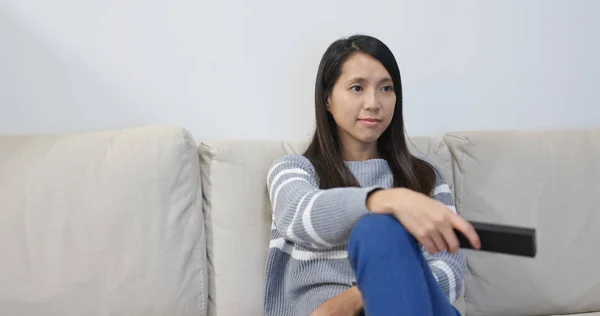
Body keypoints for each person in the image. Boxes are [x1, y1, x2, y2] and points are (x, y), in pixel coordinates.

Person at [263, 34, 481, 316]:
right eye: (357, 88)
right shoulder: (294, 170)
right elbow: (298, 215)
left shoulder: (423, 177)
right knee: (377, 229)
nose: (373, 103)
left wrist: (362, 295)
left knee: (379, 231)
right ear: (327, 99)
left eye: (386, 88)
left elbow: (449, 270)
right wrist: (385, 201)